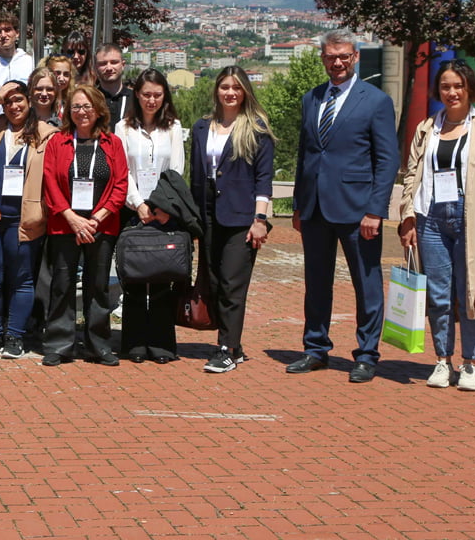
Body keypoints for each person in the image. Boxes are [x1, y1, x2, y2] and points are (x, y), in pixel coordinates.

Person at [289, 29, 399, 383]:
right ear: (322, 58)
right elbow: (305, 154)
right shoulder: (311, 98)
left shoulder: (376, 101)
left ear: (355, 58)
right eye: (330, 56)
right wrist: (297, 204)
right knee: (316, 282)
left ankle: (366, 355)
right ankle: (315, 349)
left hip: (358, 210)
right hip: (315, 208)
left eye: (343, 57)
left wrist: (375, 211)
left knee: (366, 284)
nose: (336, 62)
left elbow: (387, 160)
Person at [398, 60, 475, 392]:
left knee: (471, 291)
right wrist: (407, 217)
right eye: (445, 86)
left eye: (458, 85)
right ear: (438, 91)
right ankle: (442, 361)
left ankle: (470, 364)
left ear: (469, 88)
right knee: (439, 295)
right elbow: (411, 177)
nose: (452, 92)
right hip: (431, 218)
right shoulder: (426, 128)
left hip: (470, 217)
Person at [189, 66, 275, 373]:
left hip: (241, 216)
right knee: (212, 281)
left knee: (232, 283)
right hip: (207, 212)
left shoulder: (257, 129)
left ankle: (225, 347)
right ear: (216, 90)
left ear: (245, 92)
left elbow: (264, 180)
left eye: (236, 88)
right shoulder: (202, 127)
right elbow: (195, 175)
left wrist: (260, 219)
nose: (230, 92)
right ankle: (234, 345)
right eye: (225, 87)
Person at [41, 84, 128, 367]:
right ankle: (59, 344)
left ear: (98, 109)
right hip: (65, 224)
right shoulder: (58, 141)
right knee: (62, 285)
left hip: (101, 225)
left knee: (98, 286)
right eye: (76, 107)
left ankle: (98, 344)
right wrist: (72, 218)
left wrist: (96, 218)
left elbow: (120, 184)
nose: (82, 112)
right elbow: (50, 182)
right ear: (68, 111)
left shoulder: (112, 143)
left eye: (87, 106)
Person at [0, 80, 56, 359]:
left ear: (30, 101)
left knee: (22, 278)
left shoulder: (47, 134)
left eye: (19, 99)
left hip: (25, 218)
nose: (14, 106)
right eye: (9, 102)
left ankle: (15, 335)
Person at [115, 68, 186, 363]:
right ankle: (133, 343)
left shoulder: (173, 127)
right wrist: (138, 204)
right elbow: (123, 170)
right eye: (146, 94)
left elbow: (177, 169)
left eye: (157, 95)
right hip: (133, 210)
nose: (152, 100)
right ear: (137, 95)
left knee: (160, 276)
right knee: (133, 278)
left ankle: (161, 344)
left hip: (164, 211)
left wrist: (162, 206)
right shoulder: (123, 128)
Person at [93, 43, 134, 122]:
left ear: (123, 64)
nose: (109, 68)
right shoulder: (90, 99)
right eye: (103, 63)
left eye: (114, 62)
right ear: (95, 67)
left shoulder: (136, 100)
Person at [44, 55, 75, 119]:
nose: (61, 78)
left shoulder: (71, 101)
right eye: (57, 73)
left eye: (66, 74)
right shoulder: (43, 100)